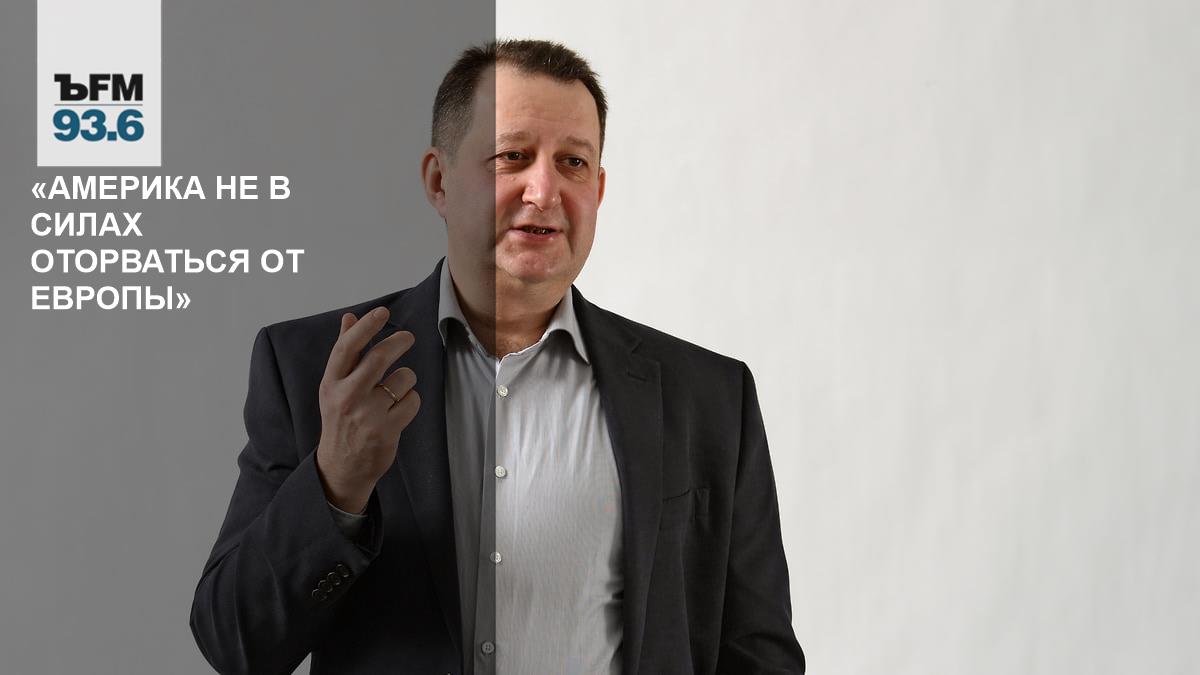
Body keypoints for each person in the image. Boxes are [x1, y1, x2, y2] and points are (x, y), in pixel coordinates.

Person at [189, 39, 805, 675]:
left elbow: (759, 656)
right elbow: (236, 644)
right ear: (439, 181)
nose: (544, 190)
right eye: (512, 156)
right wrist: (336, 484)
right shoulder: (316, 369)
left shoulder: (708, 396)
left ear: (598, 189)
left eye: (572, 162)